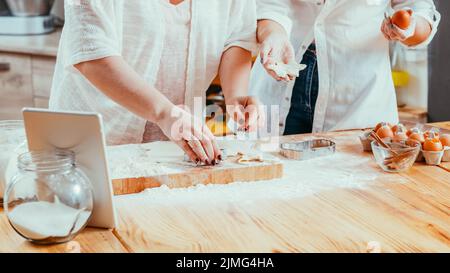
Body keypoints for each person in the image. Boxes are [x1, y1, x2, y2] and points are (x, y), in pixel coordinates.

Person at [49, 0, 263, 165]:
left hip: (177, 150)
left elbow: (237, 39)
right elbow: (91, 53)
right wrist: (164, 112)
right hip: (92, 145)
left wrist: (235, 95)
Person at [251, 0, 440, 135]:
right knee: (264, 178)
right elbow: (267, 5)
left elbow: (419, 10)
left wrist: (410, 26)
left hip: (358, 99)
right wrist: (273, 34)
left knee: (354, 186)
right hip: (280, 74)